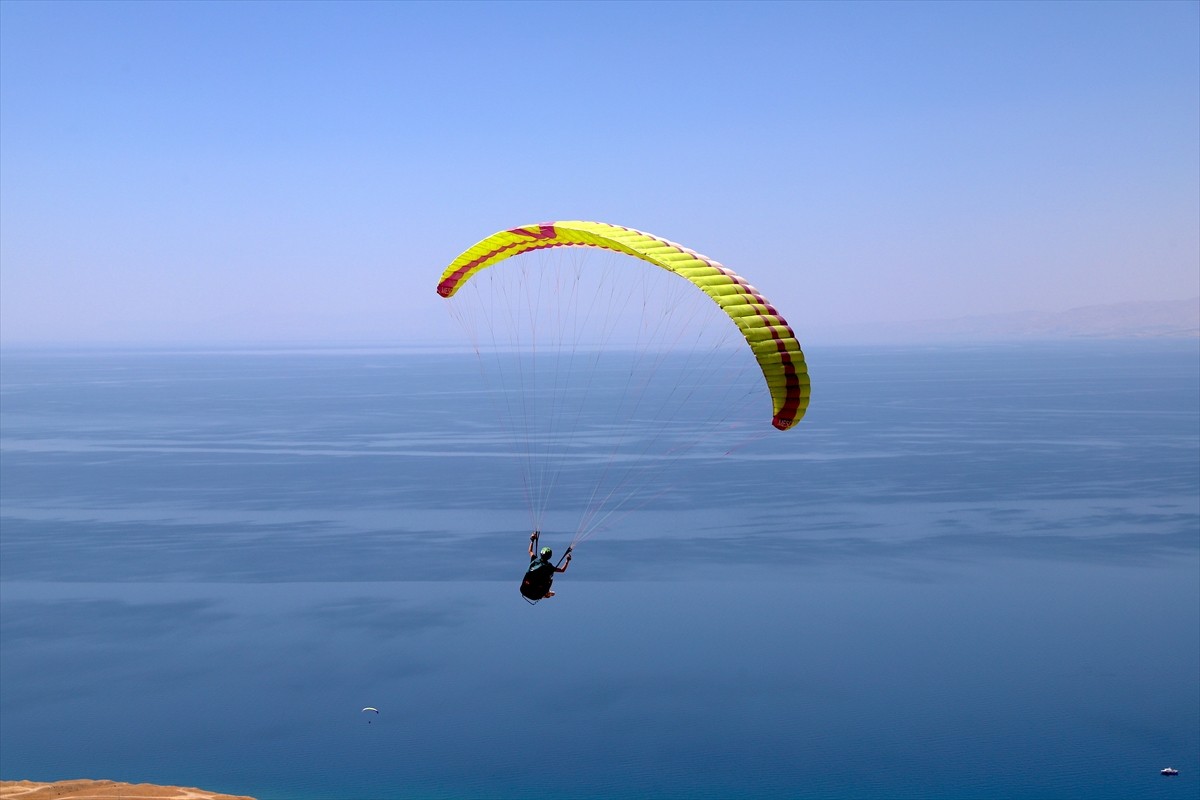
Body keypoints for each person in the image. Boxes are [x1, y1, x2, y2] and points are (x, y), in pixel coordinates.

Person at [521, 531, 571, 600]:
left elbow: (530, 551)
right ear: (550, 556)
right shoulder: (549, 567)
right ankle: (546, 593)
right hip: (536, 595)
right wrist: (567, 560)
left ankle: (546, 593)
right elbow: (562, 570)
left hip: (524, 589)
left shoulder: (535, 560)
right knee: (550, 578)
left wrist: (532, 540)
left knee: (545, 578)